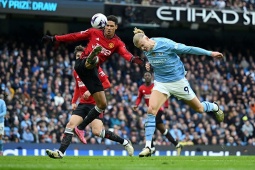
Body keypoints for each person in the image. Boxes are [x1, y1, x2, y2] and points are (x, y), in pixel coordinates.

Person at [42, 15, 144, 144]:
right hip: (82, 64)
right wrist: (54, 38)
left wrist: (136, 60)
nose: (108, 28)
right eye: (107, 25)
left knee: (102, 105)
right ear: (104, 25)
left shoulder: (117, 43)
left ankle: (80, 129)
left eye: (111, 26)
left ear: (116, 28)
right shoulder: (94, 32)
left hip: (92, 72)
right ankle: (92, 56)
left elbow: (126, 54)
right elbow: (74, 36)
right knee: (92, 61)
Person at [132, 27, 224, 157]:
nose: (143, 49)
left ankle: (214, 106)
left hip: (178, 82)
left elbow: (188, 49)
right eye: (141, 48)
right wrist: (149, 65)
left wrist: (210, 53)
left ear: (147, 38)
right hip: (161, 83)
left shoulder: (166, 44)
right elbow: (154, 60)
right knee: (151, 110)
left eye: (143, 46)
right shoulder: (146, 50)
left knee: (199, 109)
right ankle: (148, 147)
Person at [46, 45, 134, 159]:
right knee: (70, 125)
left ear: (86, 56)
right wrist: (74, 101)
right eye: (77, 56)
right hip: (83, 104)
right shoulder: (76, 70)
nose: (79, 58)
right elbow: (78, 86)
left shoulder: (95, 67)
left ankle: (124, 142)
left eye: (81, 56)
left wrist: (90, 91)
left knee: (97, 132)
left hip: (96, 104)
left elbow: (107, 84)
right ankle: (60, 152)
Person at [132, 71, 183, 156]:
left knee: (147, 126)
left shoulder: (156, 86)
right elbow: (139, 97)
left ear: (151, 77)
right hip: (151, 110)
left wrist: (166, 107)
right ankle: (177, 145)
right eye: (146, 75)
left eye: (149, 75)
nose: (147, 77)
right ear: (144, 77)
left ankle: (151, 147)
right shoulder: (141, 88)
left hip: (159, 109)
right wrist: (136, 105)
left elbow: (164, 95)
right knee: (162, 129)